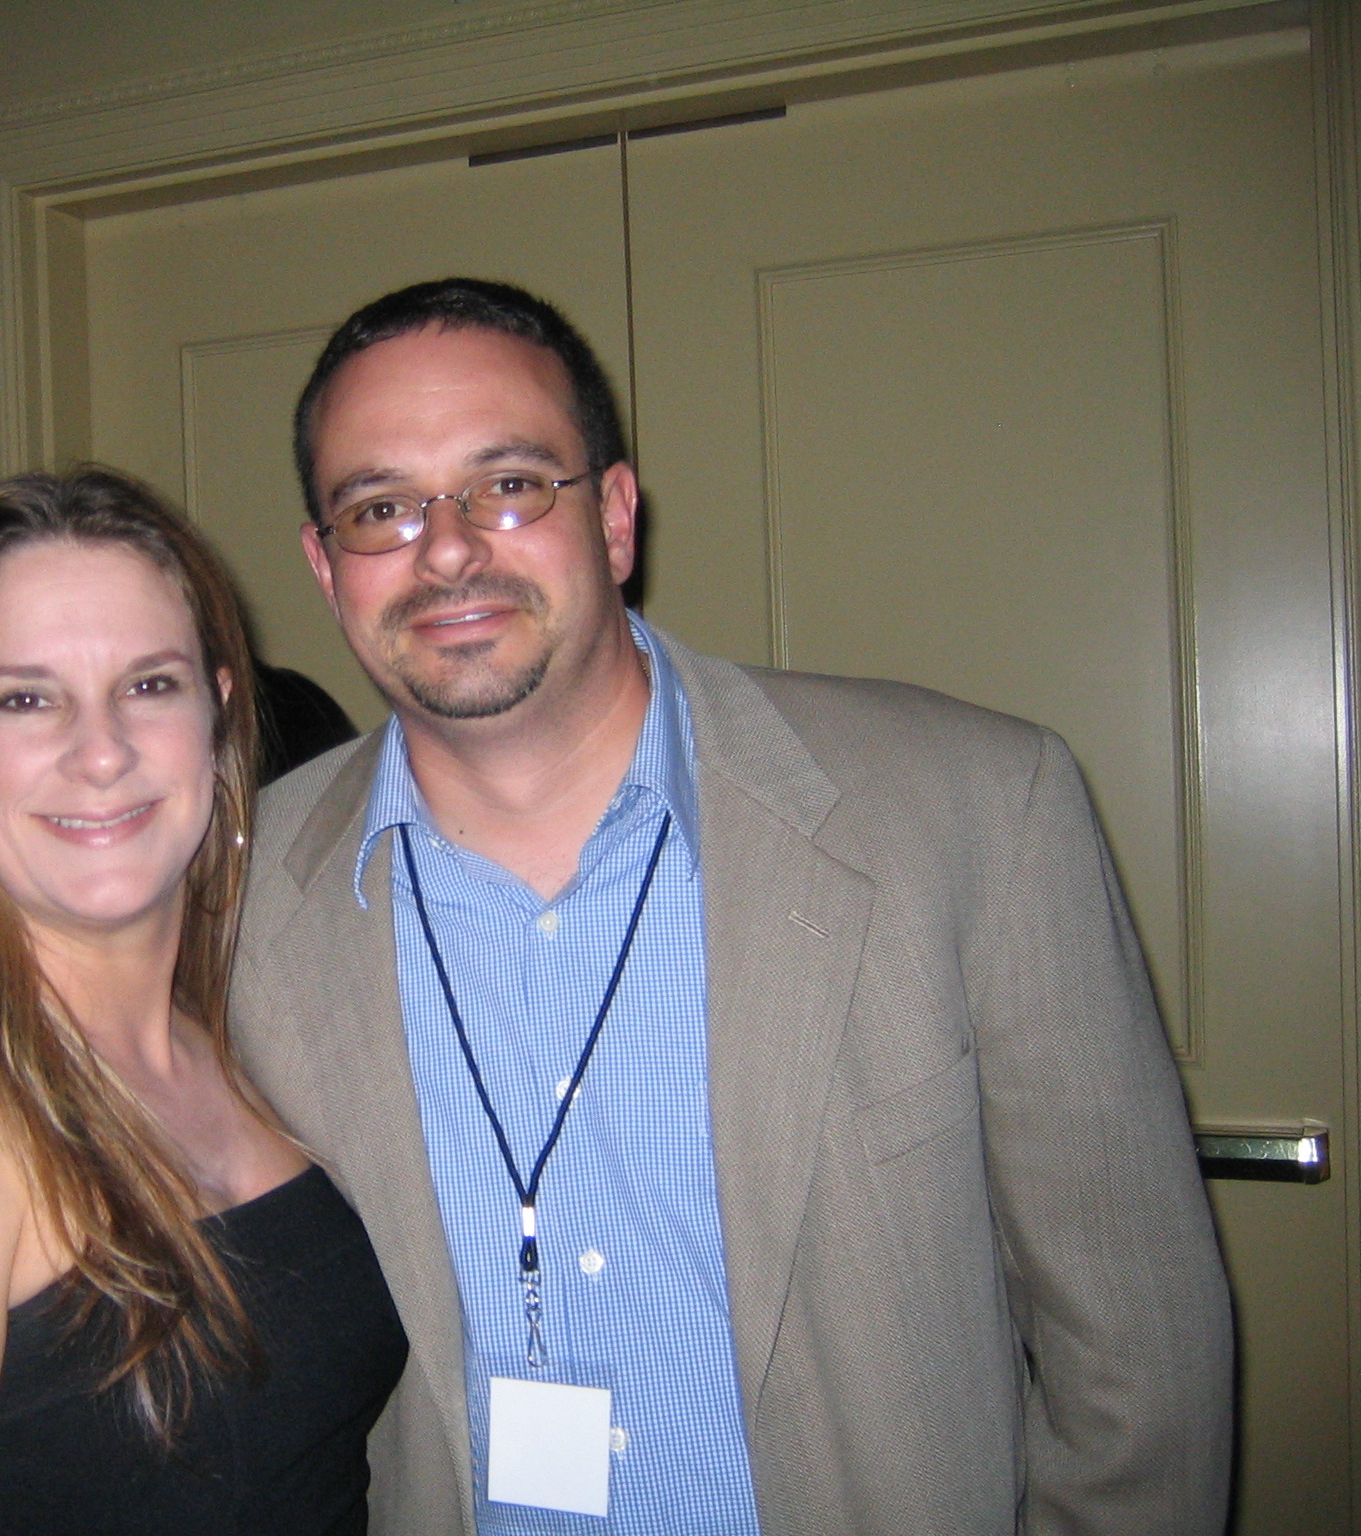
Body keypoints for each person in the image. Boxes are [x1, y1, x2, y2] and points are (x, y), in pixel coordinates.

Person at [228, 278, 1233, 1535]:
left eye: (509, 484)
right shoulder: (233, 906)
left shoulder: (974, 811)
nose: (445, 550)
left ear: (613, 517)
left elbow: (1137, 1358)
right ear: (325, 566)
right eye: (381, 507)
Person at [0, 467, 407, 1536]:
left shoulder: (238, 1033)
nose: (101, 751)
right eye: (25, 698)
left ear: (217, 716)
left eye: (149, 685)